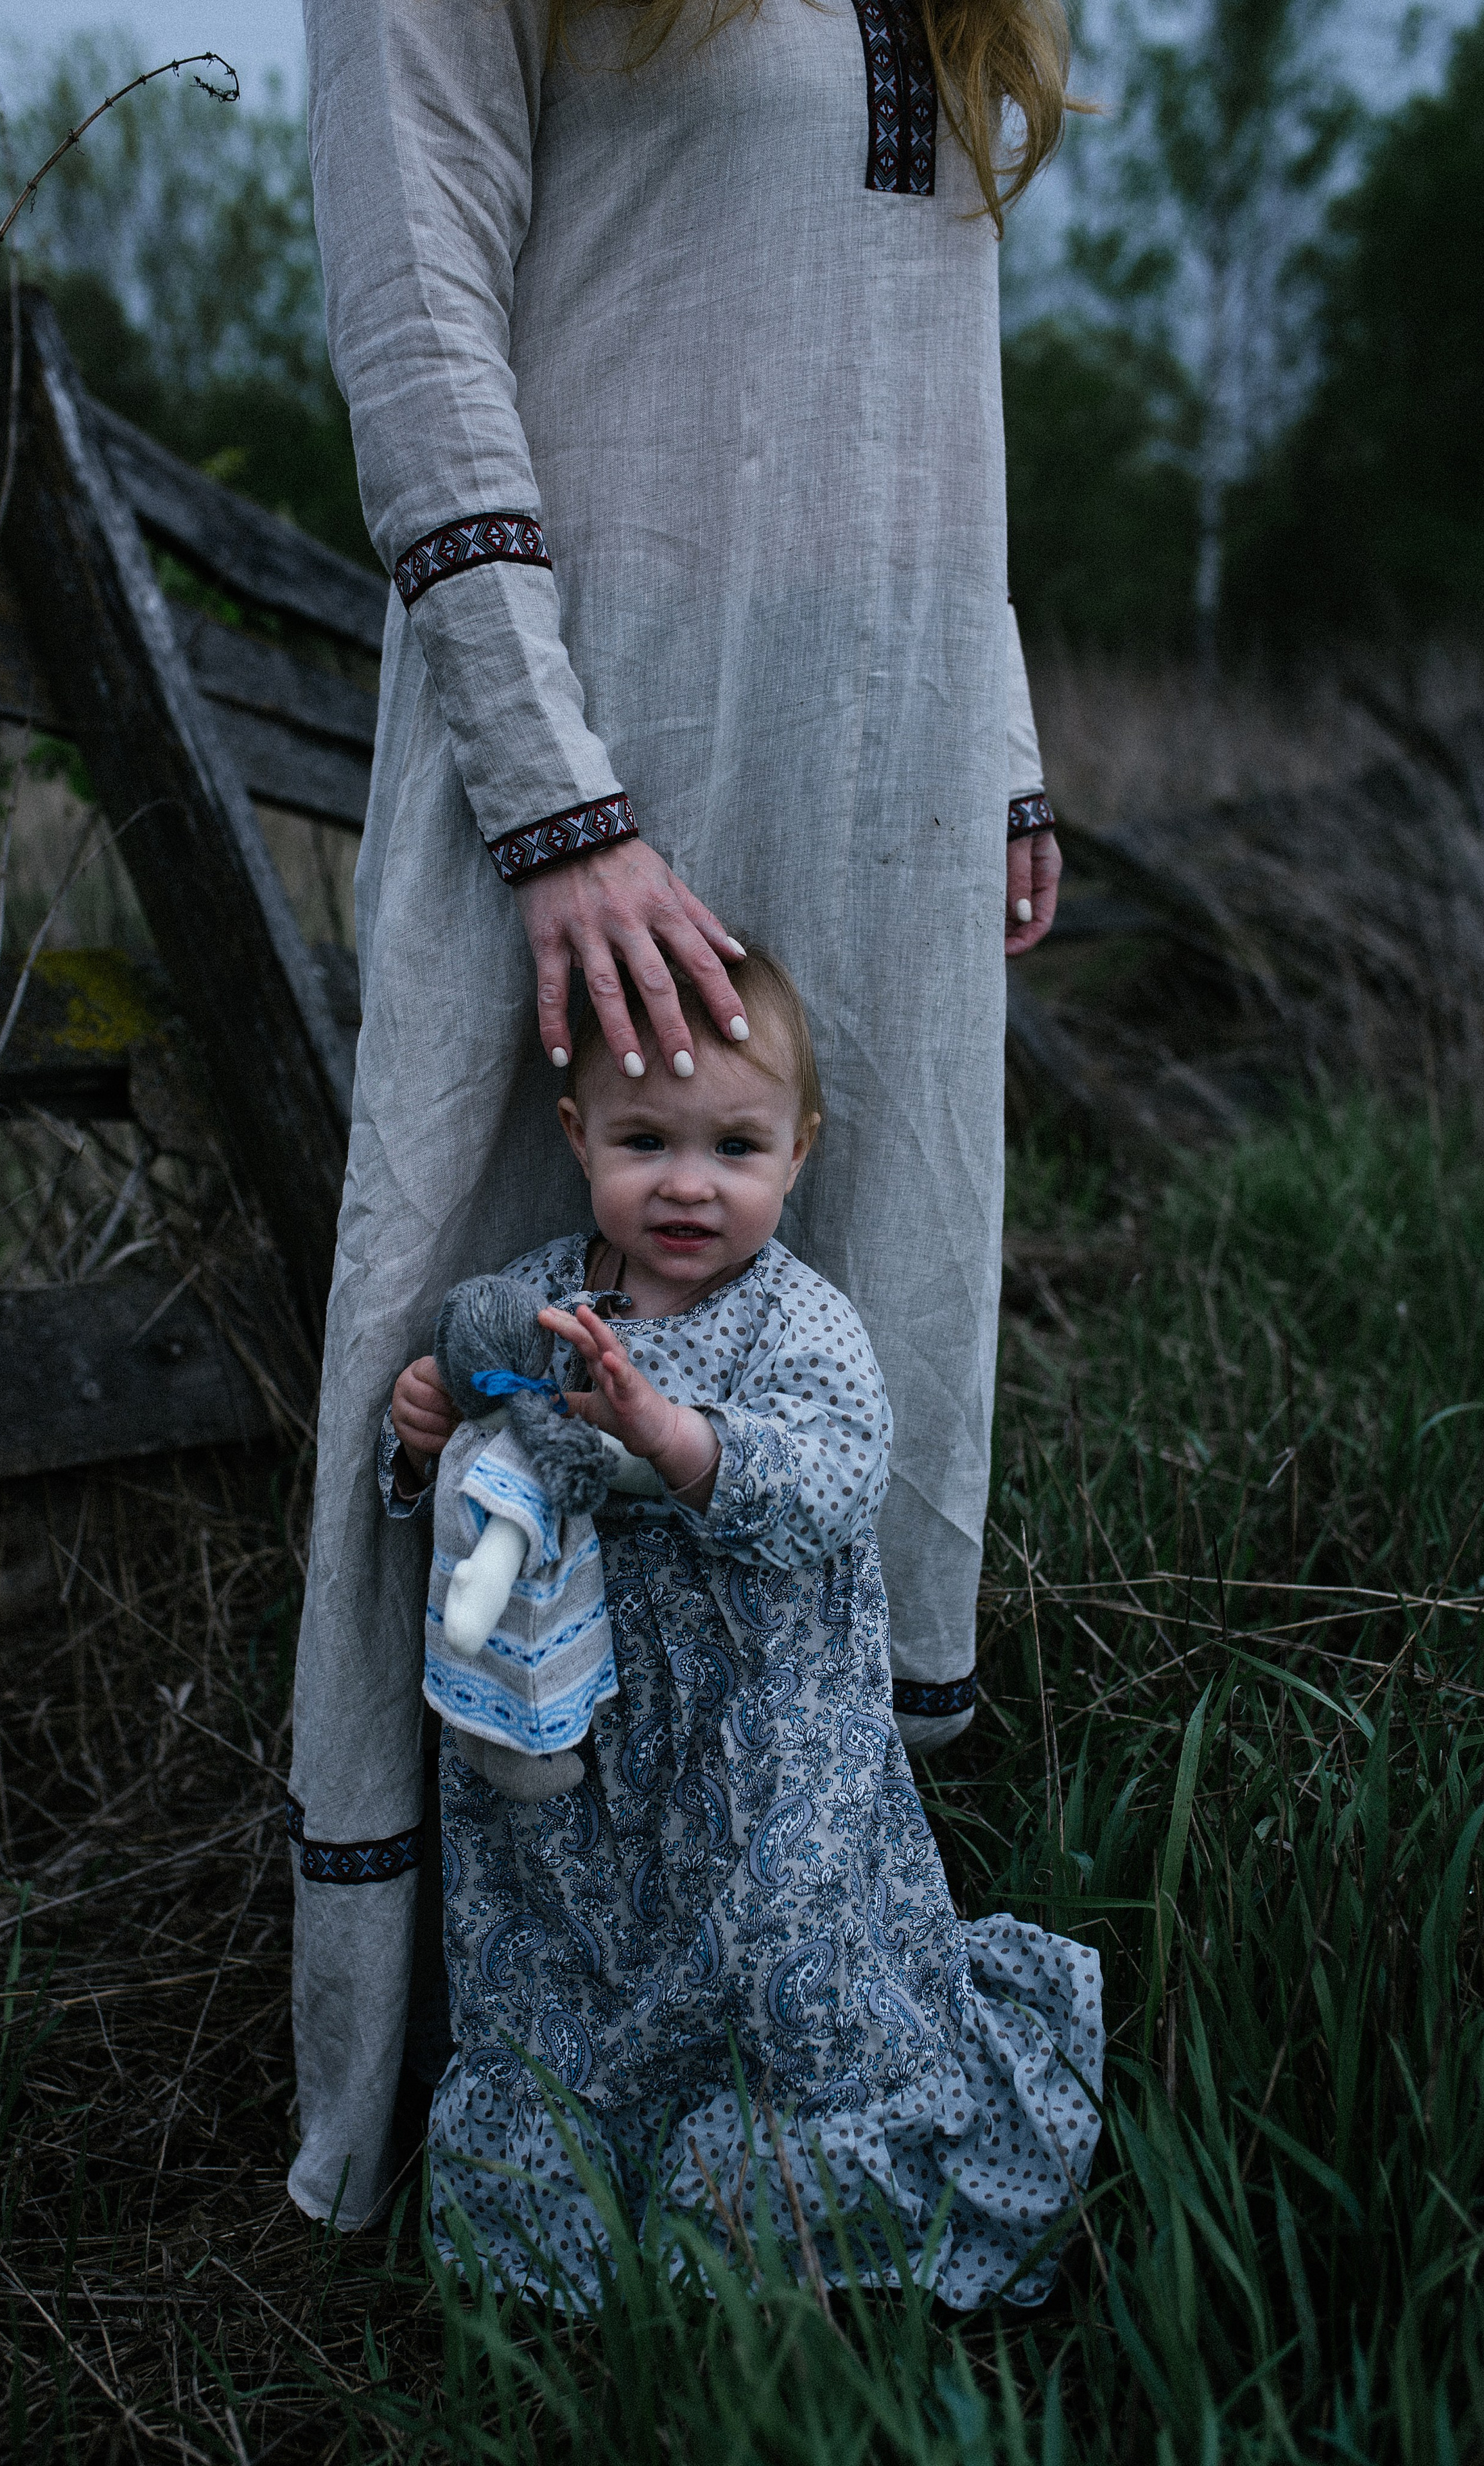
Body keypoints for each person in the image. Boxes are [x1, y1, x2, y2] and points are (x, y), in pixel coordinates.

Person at [288, 0, 1069, 2230]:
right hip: (600, 720)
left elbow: (933, 379)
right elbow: (417, 318)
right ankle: (464, 2082)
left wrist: (992, 726)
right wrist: (556, 801)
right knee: (490, 1340)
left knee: (870, 1308)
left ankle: (825, 2031)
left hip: (881, 733)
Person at [379, 949, 1101, 2302]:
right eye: (645, 1141)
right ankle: (572, 2220)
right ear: (576, 1135)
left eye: (735, 1145)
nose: (688, 1183)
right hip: (574, 1768)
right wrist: (423, 1440)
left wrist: (674, 1438)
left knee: (793, 1980)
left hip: (759, 1748)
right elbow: (482, 1488)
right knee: (558, 1980)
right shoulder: (537, 1299)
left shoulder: (797, 1322)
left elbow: (834, 1481)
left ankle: (794, 2215)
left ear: (798, 1151)